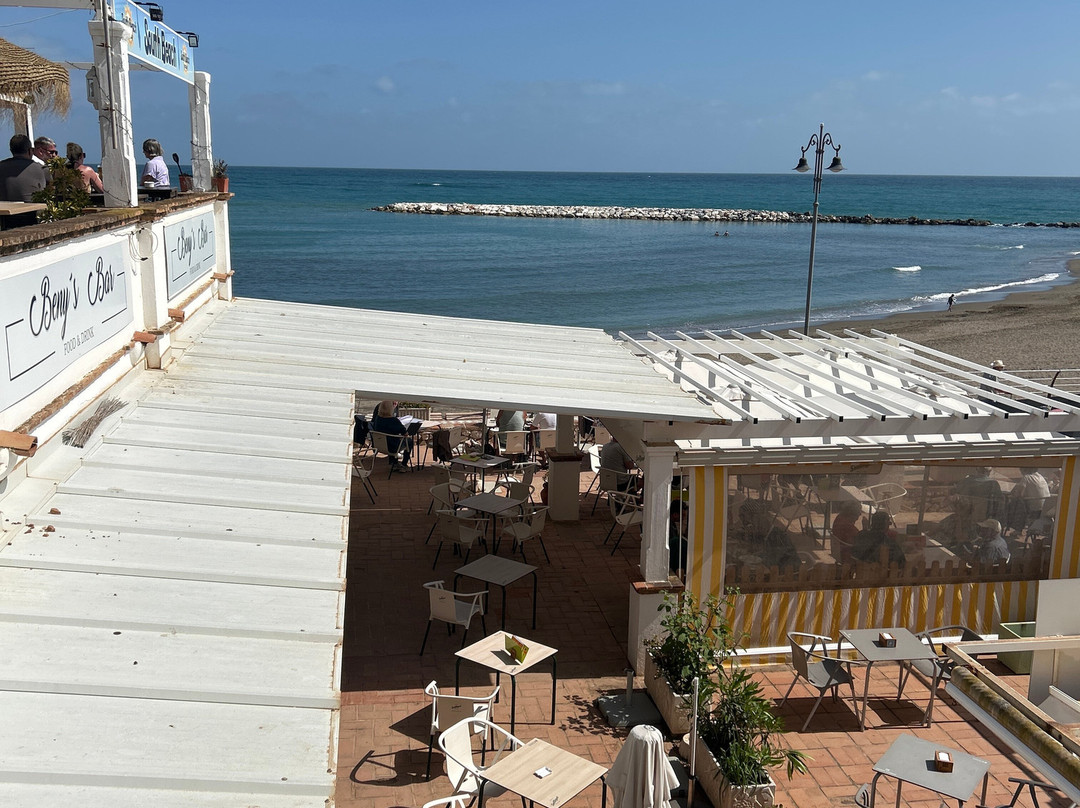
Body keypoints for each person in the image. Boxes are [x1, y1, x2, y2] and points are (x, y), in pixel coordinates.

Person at [737, 499, 799, 570]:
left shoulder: (778, 537)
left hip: (786, 574)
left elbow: (773, 562)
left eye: (750, 524)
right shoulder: (763, 535)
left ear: (759, 517)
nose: (749, 528)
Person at [0, 134, 49, 205]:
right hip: (34, 211)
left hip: (5, 211)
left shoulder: (1, 167)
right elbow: (53, 191)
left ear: (11, 151)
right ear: (30, 151)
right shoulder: (42, 169)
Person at [371, 399, 412, 469]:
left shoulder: (377, 419)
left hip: (380, 445)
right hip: (392, 447)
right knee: (409, 441)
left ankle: (394, 462)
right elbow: (405, 433)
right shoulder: (394, 421)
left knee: (392, 438)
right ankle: (404, 464)